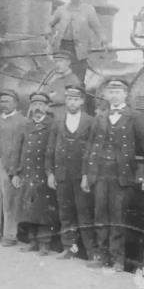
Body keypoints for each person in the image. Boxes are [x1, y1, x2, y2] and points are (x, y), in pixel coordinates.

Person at [81, 78, 144, 272]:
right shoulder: (100, 117)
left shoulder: (135, 116)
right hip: (99, 174)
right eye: (110, 92)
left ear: (125, 95)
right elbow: (89, 148)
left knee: (117, 217)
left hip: (122, 175)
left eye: (118, 92)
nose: (114, 96)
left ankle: (118, 259)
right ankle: (101, 255)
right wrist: (86, 175)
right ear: (106, 95)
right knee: (100, 215)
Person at [45, 85, 95, 260]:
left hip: (81, 176)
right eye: (69, 99)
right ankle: (69, 248)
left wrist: (87, 175)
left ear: (81, 101)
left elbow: (92, 151)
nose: (72, 103)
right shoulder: (58, 121)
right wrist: (50, 173)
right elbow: (50, 148)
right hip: (62, 175)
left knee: (84, 214)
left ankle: (91, 251)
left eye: (76, 99)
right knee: (65, 213)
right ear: (65, 100)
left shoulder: (90, 121)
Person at [16, 91, 60, 255]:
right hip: (28, 173)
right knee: (29, 209)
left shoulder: (52, 125)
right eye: (35, 105)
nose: (37, 108)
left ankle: (44, 244)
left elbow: (54, 151)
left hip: (44, 173)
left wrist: (51, 173)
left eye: (41, 105)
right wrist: (16, 172)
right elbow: (19, 150)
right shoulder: (26, 126)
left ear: (46, 107)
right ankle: (32, 241)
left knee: (44, 211)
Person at [0, 88, 29, 246]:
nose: (4, 104)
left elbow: (24, 148)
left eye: (7, 101)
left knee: (9, 202)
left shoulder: (22, 121)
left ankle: (10, 236)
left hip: (9, 166)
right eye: (2, 101)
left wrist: (17, 170)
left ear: (16, 103)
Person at [48, 0, 108, 84]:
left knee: (78, 76)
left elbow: (97, 27)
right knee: (61, 74)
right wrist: (50, 39)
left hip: (80, 50)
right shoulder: (61, 9)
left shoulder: (88, 10)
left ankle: (79, 94)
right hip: (63, 47)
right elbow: (49, 25)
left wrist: (104, 39)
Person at [43, 50, 81, 118]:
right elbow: (44, 96)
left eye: (60, 61)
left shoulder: (73, 79)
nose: (58, 64)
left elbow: (65, 99)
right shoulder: (54, 80)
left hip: (65, 116)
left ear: (68, 62)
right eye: (56, 61)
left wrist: (52, 97)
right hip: (51, 116)